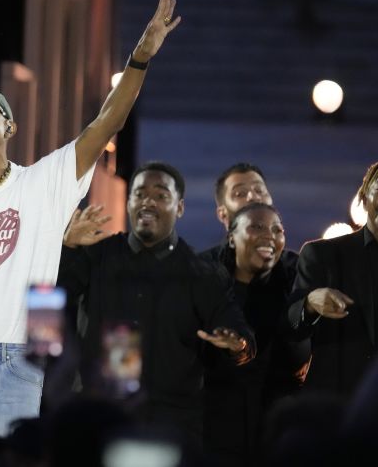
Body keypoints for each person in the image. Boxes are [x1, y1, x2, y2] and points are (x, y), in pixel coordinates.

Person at [0, 0, 181, 436]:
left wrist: (140, 59)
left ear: (9, 125)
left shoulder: (43, 181)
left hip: (18, 359)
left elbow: (106, 123)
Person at [58, 162, 254, 448]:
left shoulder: (203, 274)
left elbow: (240, 336)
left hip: (170, 426)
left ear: (180, 208)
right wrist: (68, 248)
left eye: (161, 195)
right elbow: (49, 301)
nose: (148, 200)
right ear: (128, 204)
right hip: (100, 420)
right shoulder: (95, 256)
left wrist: (237, 345)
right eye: (140, 193)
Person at [287, 159, 378, 427]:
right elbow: (290, 325)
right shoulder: (323, 254)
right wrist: (310, 305)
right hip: (339, 411)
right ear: (364, 197)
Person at [203, 203, 308, 466]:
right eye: (257, 227)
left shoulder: (294, 290)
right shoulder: (206, 289)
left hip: (276, 436)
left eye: (277, 230)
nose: (269, 236)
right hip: (215, 433)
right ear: (230, 237)